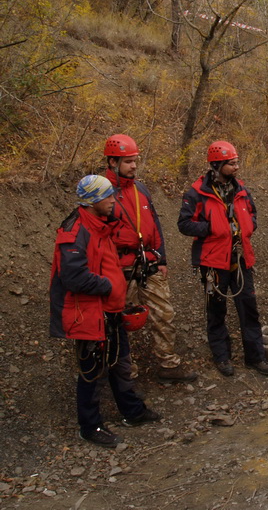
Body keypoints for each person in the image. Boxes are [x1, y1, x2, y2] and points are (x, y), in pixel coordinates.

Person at [49, 175, 161, 448]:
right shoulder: (75, 231)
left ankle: (132, 412)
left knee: (120, 364)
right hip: (88, 314)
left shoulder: (100, 225)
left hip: (110, 310)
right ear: (93, 201)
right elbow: (73, 278)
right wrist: (110, 285)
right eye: (108, 197)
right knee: (92, 371)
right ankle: (90, 426)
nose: (113, 200)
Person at [177, 141, 268, 378]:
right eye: (232, 163)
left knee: (249, 308)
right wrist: (212, 227)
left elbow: (252, 213)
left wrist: (248, 227)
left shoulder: (241, 189)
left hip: (241, 259)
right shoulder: (197, 193)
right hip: (213, 262)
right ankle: (222, 356)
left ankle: (255, 357)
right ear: (217, 164)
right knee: (216, 310)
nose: (236, 167)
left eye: (236, 162)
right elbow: (184, 224)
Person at [104, 134, 197, 384]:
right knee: (123, 321)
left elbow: (155, 224)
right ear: (112, 162)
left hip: (148, 264)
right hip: (118, 268)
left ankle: (168, 364)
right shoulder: (102, 192)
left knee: (164, 314)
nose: (134, 165)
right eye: (128, 161)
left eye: (135, 160)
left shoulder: (140, 189)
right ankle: (126, 372)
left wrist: (162, 259)